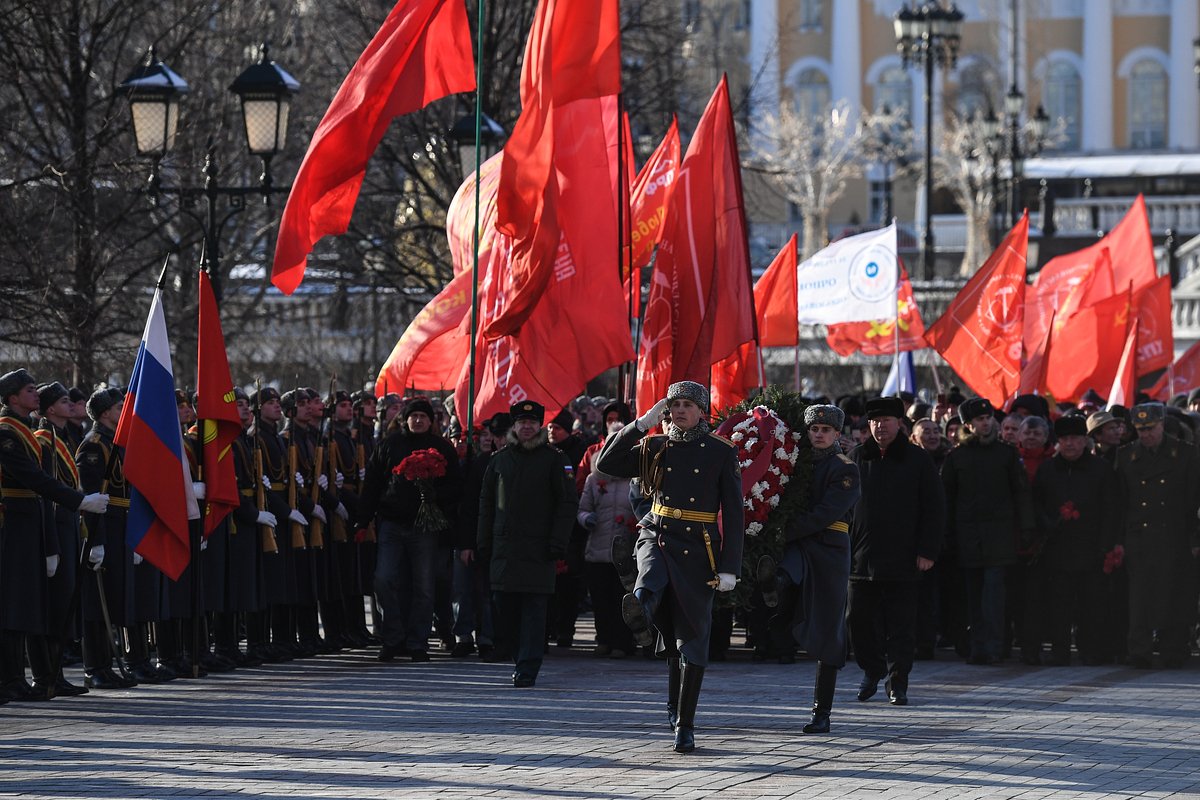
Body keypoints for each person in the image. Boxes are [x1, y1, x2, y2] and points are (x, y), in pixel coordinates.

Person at [597, 381, 743, 753]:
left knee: (690, 636)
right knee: (649, 578)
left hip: (699, 547)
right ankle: (640, 611)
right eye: (674, 404)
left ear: (701, 410)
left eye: (687, 405)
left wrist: (729, 568)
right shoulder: (655, 444)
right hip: (658, 532)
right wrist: (640, 424)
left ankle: (685, 722)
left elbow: (735, 513)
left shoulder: (720, 452)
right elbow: (606, 463)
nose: (679, 410)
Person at [0, 370, 107, 701]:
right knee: (14, 605)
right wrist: (80, 501)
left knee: (28, 605)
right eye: (30, 391)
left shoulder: (25, 433)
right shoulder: (7, 433)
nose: (36, 395)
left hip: (31, 523)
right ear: (14, 398)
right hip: (15, 524)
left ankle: (22, 677)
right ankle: (10, 678)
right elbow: (34, 478)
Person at [757, 404, 858, 735]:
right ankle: (776, 586)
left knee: (828, 630)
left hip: (828, 549)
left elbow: (827, 513)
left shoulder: (845, 468)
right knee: (784, 571)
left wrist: (784, 530)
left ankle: (822, 712)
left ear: (837, 434)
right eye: (814, 429)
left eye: (825, 430)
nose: (819, 434)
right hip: (800, 545)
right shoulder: (795, 463)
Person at [847, 396, 944, 707]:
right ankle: (871, 670)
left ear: (899, 424)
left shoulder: (918, 460)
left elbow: (934, 508)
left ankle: (897, 680)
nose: (879, 426)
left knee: (901, 625)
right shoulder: (856, 458)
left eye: (886, 421)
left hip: (904, 556)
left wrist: (927, 549)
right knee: (858, 620)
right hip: (861, 557)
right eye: (874, 421)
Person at [477, 401, 577, 688]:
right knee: (504, 608)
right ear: (514, 426)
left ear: (540, 426)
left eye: (532, 423)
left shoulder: (555, 459)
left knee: (534, 612)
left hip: (539, 549)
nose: (527, 427)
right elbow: (486, 504)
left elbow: (567, 503)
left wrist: (558, 542)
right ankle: (518, 657)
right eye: (522, 422)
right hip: (504, 549)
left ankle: (527, 668)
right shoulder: (500, 460)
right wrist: (483, 541)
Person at [358, 398, 461, 662]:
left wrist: (432, 497)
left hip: (424, 527)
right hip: (391, 524)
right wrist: (363, 519)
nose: (417, 420)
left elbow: (454, 486)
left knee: (424, 586)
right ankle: (393, 637)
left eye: (423, 417)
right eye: (413, 416)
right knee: (384, 579)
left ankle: (418, 642)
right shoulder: (389, 445)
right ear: (405, 419)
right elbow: (372, 483)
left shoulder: (442, 448)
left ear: (431, 421)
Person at [941, 397, 1035, 665]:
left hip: (999, 537)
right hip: (968, 537)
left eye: (987, 418)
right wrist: (946, 534)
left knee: (994, 595)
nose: (986, 423)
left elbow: (1021, 493)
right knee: (973, 595)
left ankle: (994, 646)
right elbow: (946, 498)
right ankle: (977, 646)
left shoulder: (1005, 454)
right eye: (979, 420)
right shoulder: (956, 457)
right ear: (968, 425)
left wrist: (1027, 527)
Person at [1113, 403, 1200, 668]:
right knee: (1139, 597)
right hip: (1139, 535)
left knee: (1174, 594)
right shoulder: (1126, 455)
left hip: (1173, 535)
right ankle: (1139, 650)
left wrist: (1195, 540)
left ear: (1162, 424)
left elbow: (1194, 501)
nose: (1146, 434)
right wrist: (1118, 540)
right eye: (1140, 430)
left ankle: (1173, 650)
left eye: (1150, 428)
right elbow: (1120, 502)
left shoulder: (1184, 454)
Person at [1028, 415, 1116, 666]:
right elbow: (1036, 503)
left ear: (1085, 441)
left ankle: (1090, 649)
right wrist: (1047, 522)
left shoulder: (1100, 469)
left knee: (1092, 603)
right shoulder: (1048, 469)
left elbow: (1111, 508)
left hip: (1091, 547)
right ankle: (1060, 650)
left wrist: (1106, 544)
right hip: (1057, 548)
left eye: (1075, 439)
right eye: (1065, 439)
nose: (1070, 444)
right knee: (1059, 604)